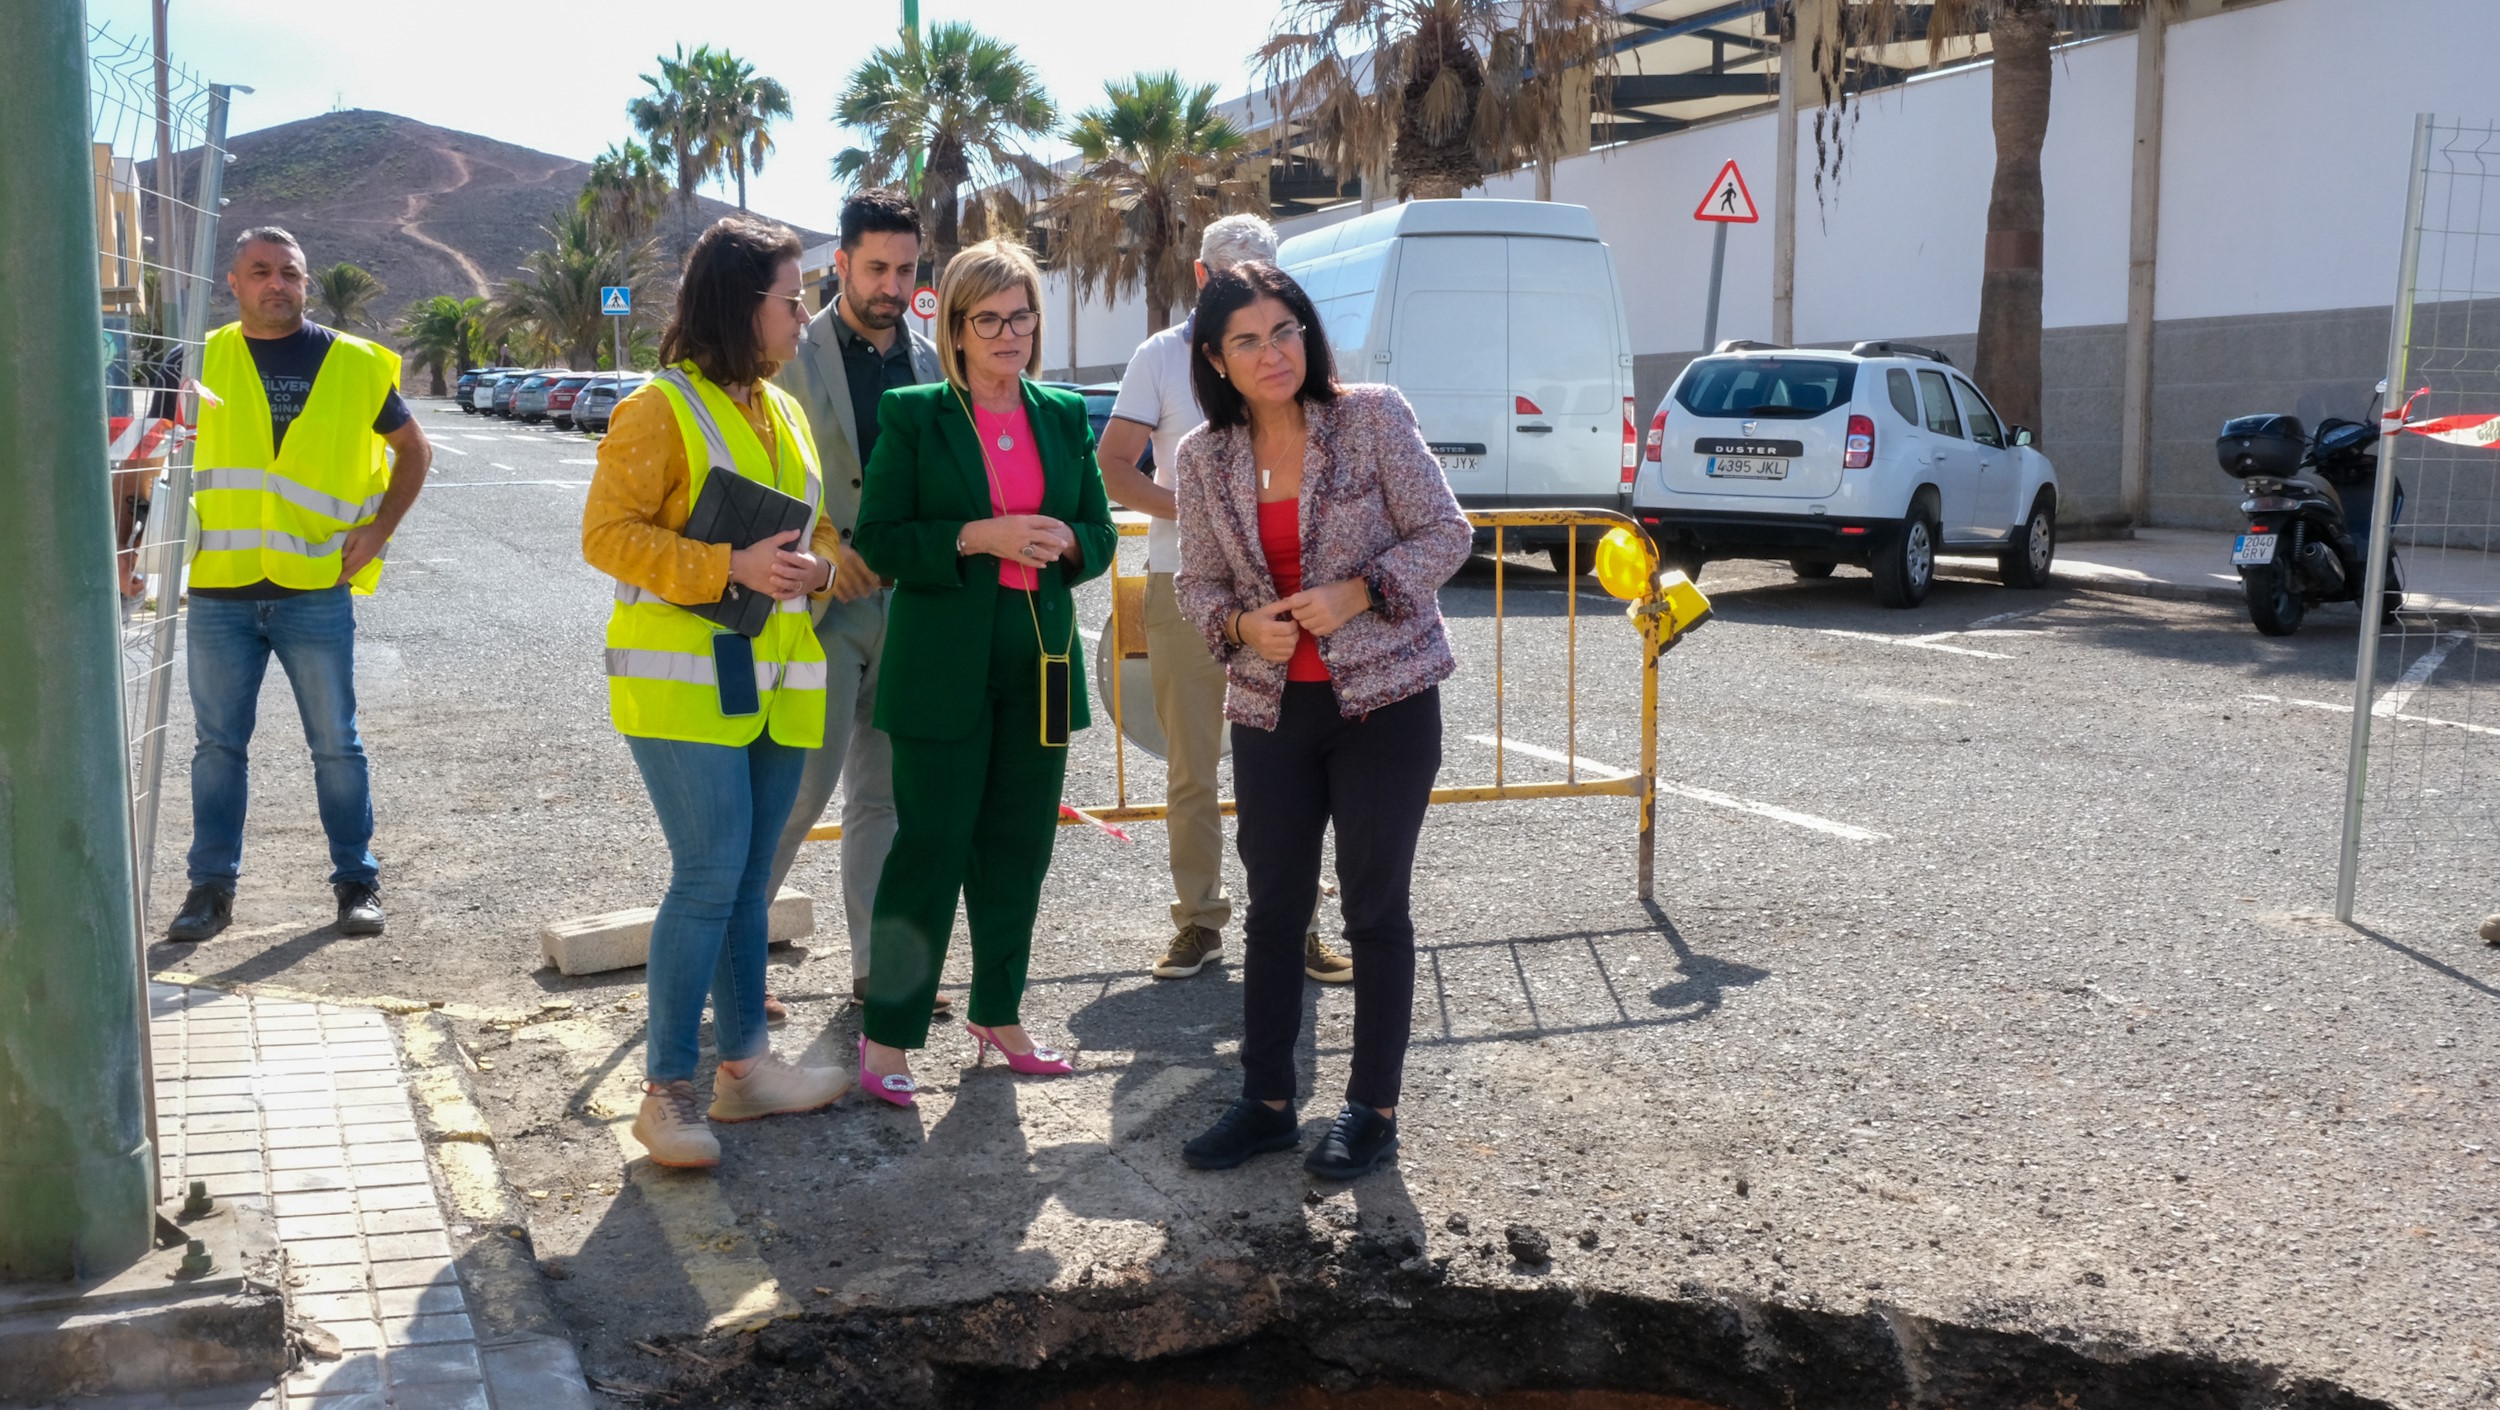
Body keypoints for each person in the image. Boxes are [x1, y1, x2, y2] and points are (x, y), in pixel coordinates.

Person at [1170, 262, 1470, 1181]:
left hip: (1385, 701)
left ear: (1309, 333)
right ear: (1217, 361)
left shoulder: (1372, 415)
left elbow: (1446, 534)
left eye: (1286, 330)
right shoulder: (1201, 458)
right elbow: (1197, 583)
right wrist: (1234, 624)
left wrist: (1360, 591)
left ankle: (1371, 1110)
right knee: (1273, 910)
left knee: (1376, 909)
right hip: (1270, 709)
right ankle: (1265, 1102)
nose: (1274, 353)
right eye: (1248, 341)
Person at [581, 216, 852, 1169]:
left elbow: (804, 541)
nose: (804, 314)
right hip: (685, 685)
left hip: (774, 681)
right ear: (745, 306)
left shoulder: (778, 408)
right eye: (792, 298)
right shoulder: (658, 408)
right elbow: (606, 536)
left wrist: (812, 573)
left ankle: (747, 1072)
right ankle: (666, 1094)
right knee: (706, 878)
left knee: (744, 881)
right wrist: (725, 563)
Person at [851, 239, 1118, 1106]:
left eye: (1022, 316)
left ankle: (998, 1014)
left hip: (1039, 660)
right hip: (940, 664)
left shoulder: (1064, 414)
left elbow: (1101, 536)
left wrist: (1070, 541)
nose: (1010, 334)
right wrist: (979, 536)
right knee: (930, 849)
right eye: (989, 320)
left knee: (1018, 850)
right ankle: (888, 1032)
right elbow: (883, 541)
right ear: (956, 329)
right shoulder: (915, 414)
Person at [1097, 215, 1352, 988]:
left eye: (1268, 275)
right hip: (1187, 586)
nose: (1255, 301)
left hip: (1293, 592)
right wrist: (1204, 513)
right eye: (1235, 274)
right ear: (1203, 279)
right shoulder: (1162, 356)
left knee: (1299, 767)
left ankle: (1302, 925)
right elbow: (1113, 467)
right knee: (1192, 769)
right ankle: (1199, 923)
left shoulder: (1292, 356)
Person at [165, 227, 432, 945]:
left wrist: (378, 532)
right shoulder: (198, 358)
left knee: (335, 745)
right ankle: (209, 891)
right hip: (219, 587)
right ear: (234, 282)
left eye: (290, 273)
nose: (276, 284)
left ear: (305, 284)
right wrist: (137, 544)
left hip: (315, 588)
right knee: (217, 747)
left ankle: (356, 884)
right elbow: (151, 450)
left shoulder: (352, 364)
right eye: (261, 272)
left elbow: (414, 450)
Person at [757, 188, 950, 1023]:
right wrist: (828, 558)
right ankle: (732, 960)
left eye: (906, 269)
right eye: (876, 267)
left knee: (886, 802)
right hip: (816, 613)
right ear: (838, 263)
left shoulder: (931, 358)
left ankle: (881, 974)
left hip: (907, 612)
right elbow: (759, 474)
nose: (891, 285)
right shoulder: (790, 353)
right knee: (799, 793)